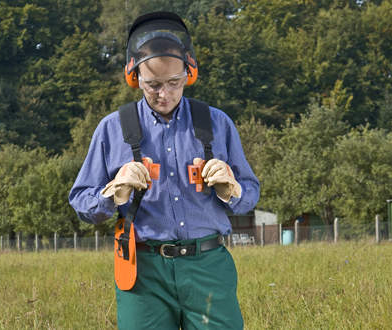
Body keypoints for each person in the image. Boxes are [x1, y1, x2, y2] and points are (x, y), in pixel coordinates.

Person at [69, 11, 259, 330]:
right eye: (153, 84)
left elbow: (250, 195)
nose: (164, 94)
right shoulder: (112, 129)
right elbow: (82, 204)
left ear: (189, 72)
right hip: (143, 272)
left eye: (174, 83)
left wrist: (232, 190)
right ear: (135, 77)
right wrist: (113, 191)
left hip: (208, 266)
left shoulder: (217, 123)